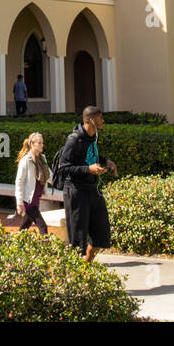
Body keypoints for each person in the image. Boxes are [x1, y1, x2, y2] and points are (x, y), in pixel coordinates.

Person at [54, 105, 117, 262]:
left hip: (92, 189)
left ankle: (86, 266)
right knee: (78, 238)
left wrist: (106, 161)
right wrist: (88, 169)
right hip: (75, 191)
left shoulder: (93, 137)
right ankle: (76, 274)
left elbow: (91, 155)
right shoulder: (73, 140)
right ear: (91, 120)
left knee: (102, 234)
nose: (103, 121)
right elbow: (64, 168)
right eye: (100, 118)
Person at [13, 132, 51, 235]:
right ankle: (46, 250)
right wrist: (19, 203)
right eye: (39, 143)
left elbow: (49, 175)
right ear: (32, 144)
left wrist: (63, 182)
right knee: (43, 227)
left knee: (24, 227)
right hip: (28, 201)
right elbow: (19, 182)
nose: (42, 145)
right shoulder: (25, 161)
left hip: (36, 199)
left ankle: (14, 244)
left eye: (42, 143)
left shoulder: (42, 159)